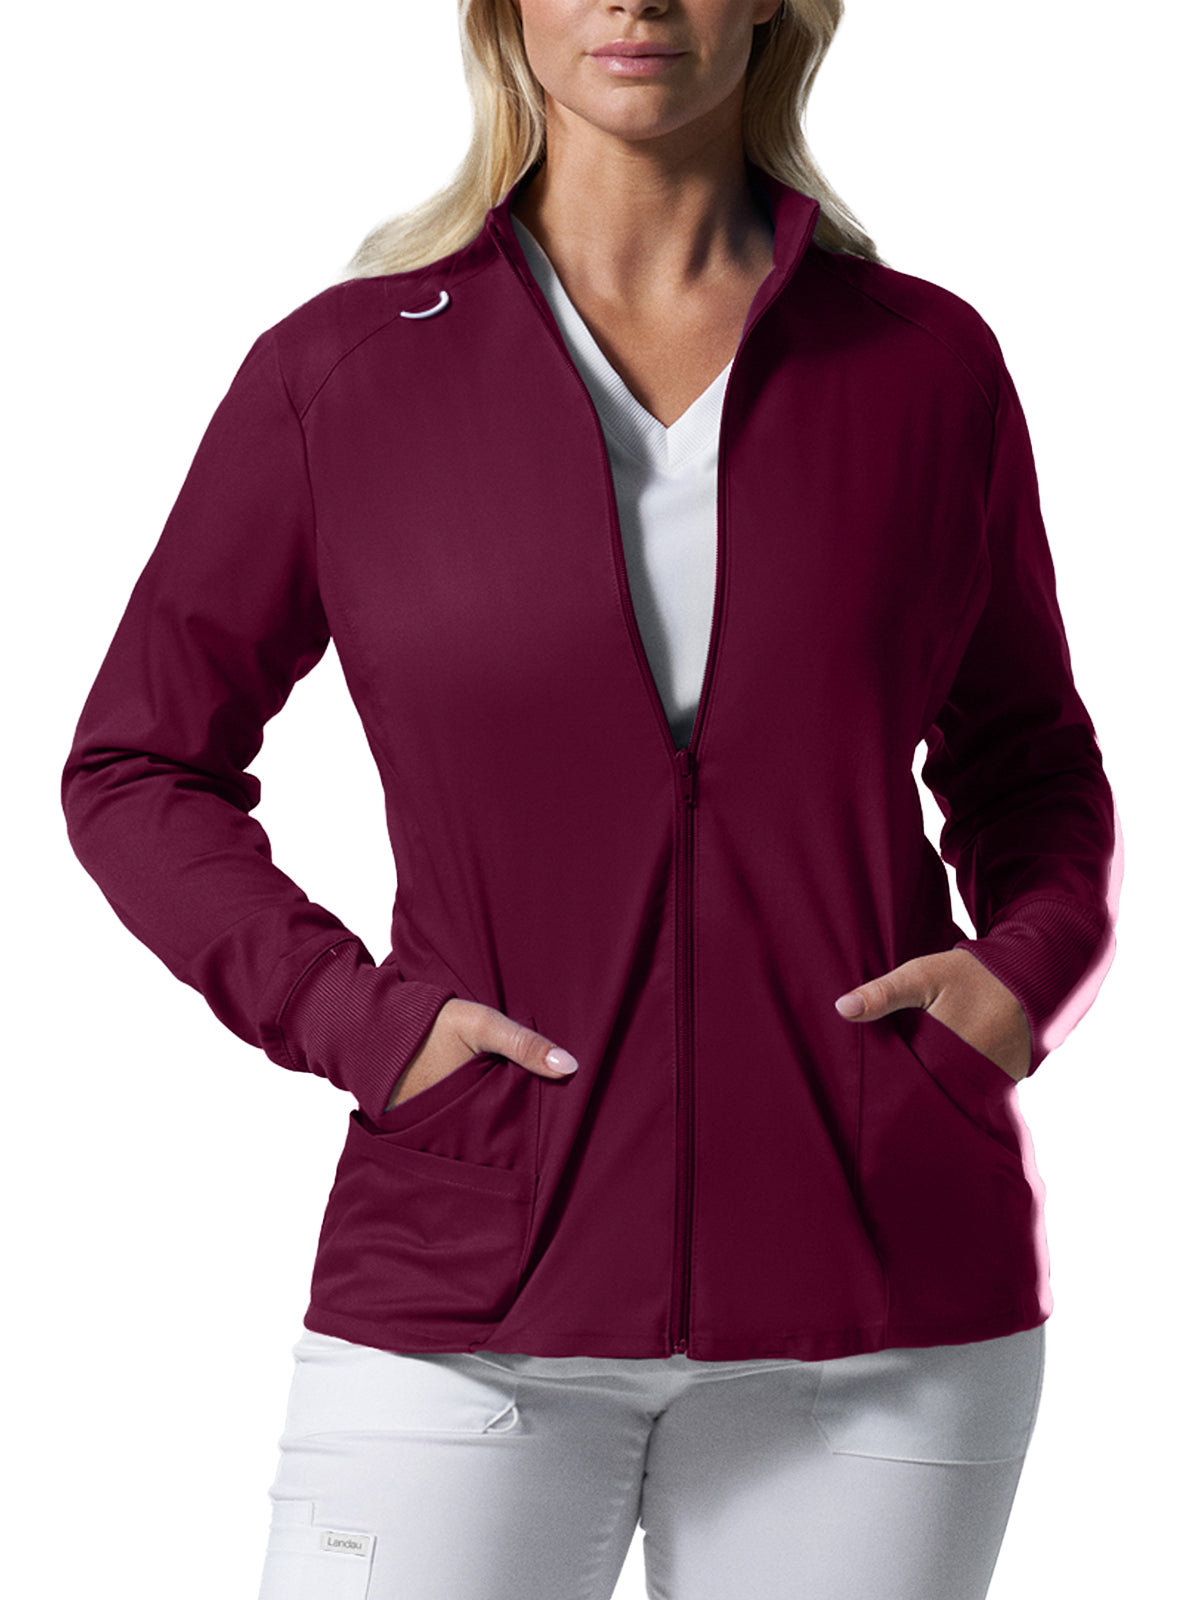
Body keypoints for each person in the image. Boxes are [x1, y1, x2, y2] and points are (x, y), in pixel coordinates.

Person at [61, 0, 1120, 1596]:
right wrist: (361, 1023)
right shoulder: (342, 373)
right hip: (466, 1276)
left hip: (883, 1295)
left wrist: (1025, 976)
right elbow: (140, 765)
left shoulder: (924, 366)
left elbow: (1029, 758)